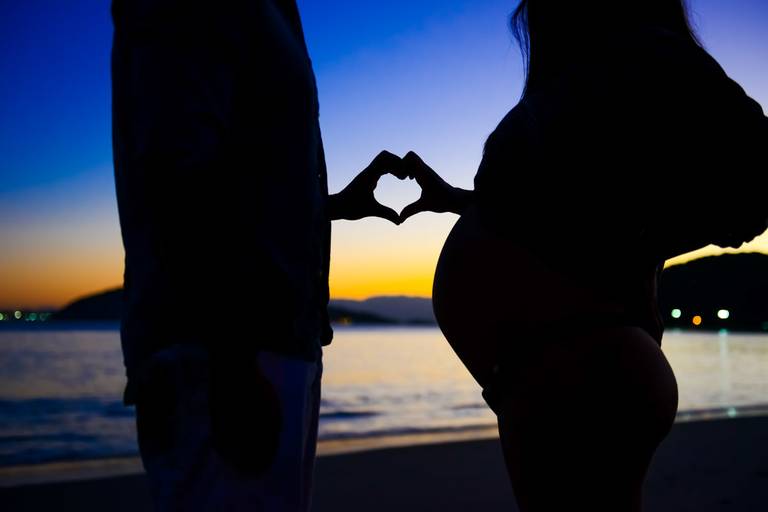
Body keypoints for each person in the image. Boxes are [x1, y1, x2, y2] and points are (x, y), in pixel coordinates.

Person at [399, 0, 768, 510]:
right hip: (550, 362)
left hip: (579, 362)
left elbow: (756, 185)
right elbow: (568, 208)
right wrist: (460, 201)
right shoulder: (592, 78)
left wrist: (631, 238)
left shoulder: (649, 53)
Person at [111, 1, 405, 510]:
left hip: (273, 350)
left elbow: (239, 184)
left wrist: (326, 208)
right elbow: (176, 169)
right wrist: (231, 360)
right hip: (226, 359)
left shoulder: (276, 9)